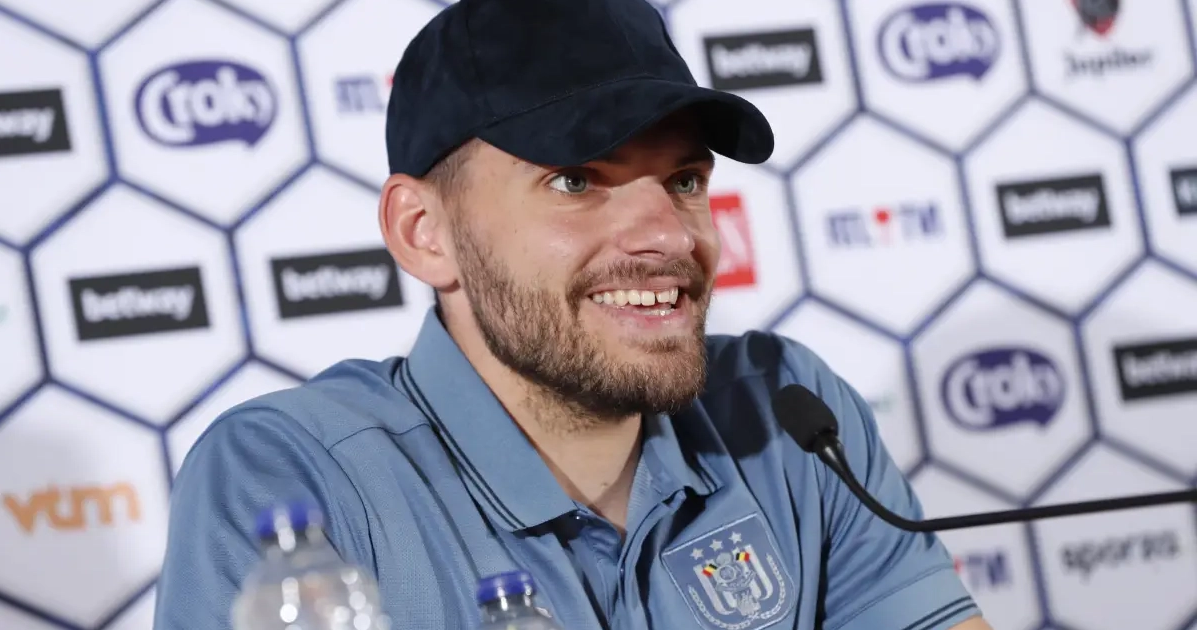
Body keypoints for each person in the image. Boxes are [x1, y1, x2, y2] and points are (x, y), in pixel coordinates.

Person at [154, 0, 993, 628]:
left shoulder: (785, 413)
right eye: (576, 180)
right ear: (423, 232)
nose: (670, 234)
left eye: (684, 181)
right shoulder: (293, 477)